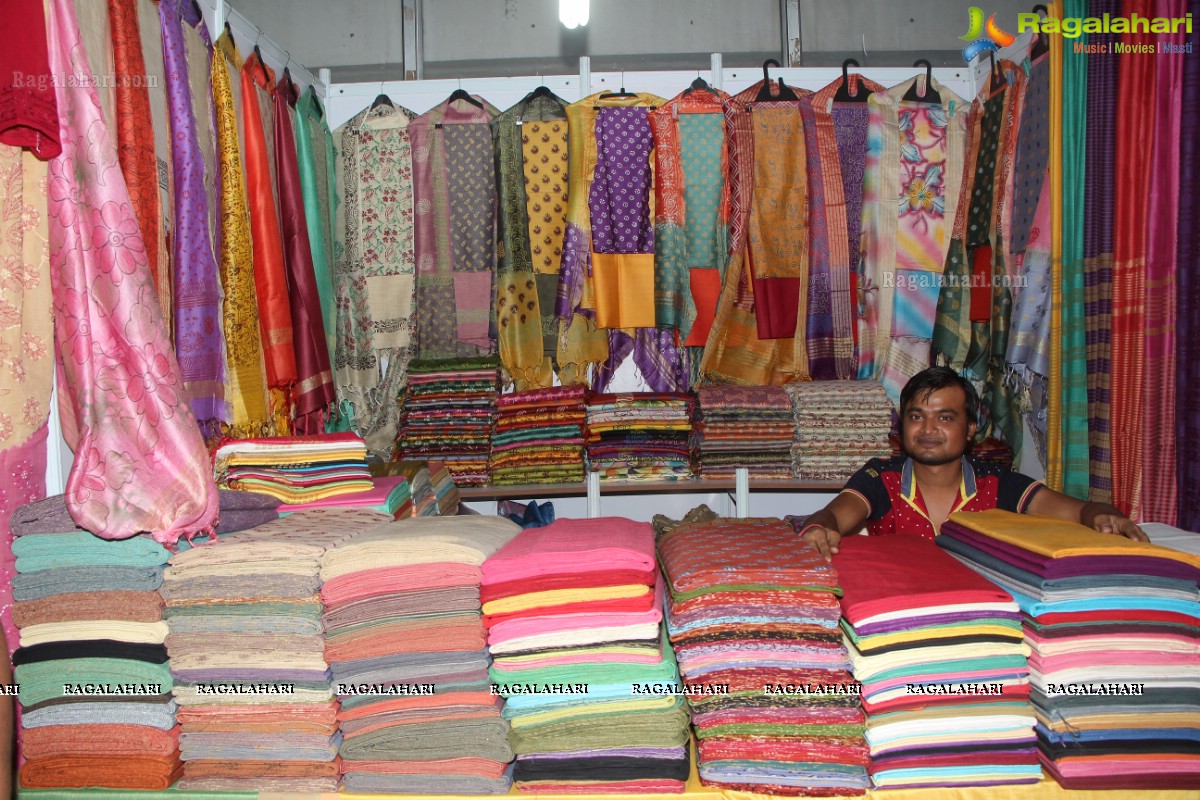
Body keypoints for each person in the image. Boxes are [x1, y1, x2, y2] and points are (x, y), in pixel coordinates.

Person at [801, 367, 1147, 560]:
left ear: (969, 429)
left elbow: (1078, 511)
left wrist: (1105, 515)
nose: (929, 429)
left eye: (945, 417)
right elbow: (834, 514)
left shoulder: (997, 485)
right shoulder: (881, 478)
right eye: (916, 416)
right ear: (903, 426)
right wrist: (818, 527)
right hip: (898, 620)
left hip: (982, 625)